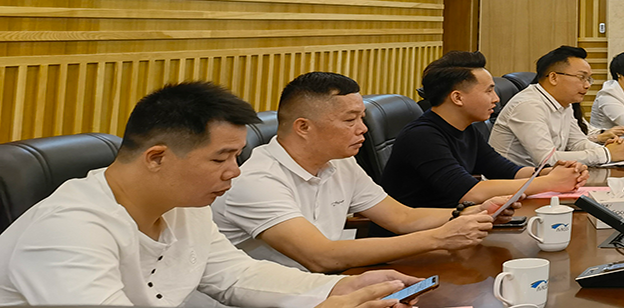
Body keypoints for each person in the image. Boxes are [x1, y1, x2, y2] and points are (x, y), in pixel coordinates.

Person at [0, 81, 416, 308]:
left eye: (237, 155)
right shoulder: (68, 231)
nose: (235, 171)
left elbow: (237, 275)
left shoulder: (185, 207)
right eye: (221, 158)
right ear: (157, 157)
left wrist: (335, 289)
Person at [214, 72, 509, 272]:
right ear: (303, 127)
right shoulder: (256, 180)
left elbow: (403, 217)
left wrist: (471, 212)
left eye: (362, 118)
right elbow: (320, 257)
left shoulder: (341, 162)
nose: (363, 129)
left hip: (322, 286)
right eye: (350, 120)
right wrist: (440, 238)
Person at [381, 51, 586, 210]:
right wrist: (549, 182)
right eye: (489, 91)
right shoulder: (422, 136)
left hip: (458, 225)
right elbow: (470, 192)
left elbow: (509, 171)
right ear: (457, 97)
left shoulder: (467, 130)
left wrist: (552, 172)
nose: (496, 99)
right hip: (417, 236)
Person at [491, 45, 624, 166]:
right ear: (554, 77)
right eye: (581, 77)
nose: (587, 85)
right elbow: (547, 159)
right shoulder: (528, 105)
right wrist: (606, 154)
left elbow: (577, 143)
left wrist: (613, 149)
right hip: (512, 184)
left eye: (588, 79)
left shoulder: (564, 104)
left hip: (544, 179)